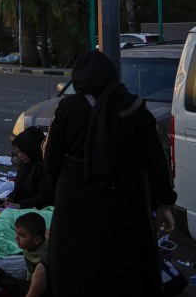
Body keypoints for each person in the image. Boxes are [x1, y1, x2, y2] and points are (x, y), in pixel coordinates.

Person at [43, 50, 176, 297]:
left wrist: (63, 187)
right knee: (125, 264)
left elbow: (51, 157)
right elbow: (156, 159)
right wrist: (165, 203)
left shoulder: (67, 107)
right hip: (125, 197)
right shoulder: (135, 107)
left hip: (76, 197)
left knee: (76, 266)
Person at [4, 127, 53, 210]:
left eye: (23, 151)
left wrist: (21, 206)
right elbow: (20, 187)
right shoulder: (25, 165)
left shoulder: (45, 168)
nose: (20, 155)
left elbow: (45, 197)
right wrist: (11, 197)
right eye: (18, 152)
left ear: (31, 149)